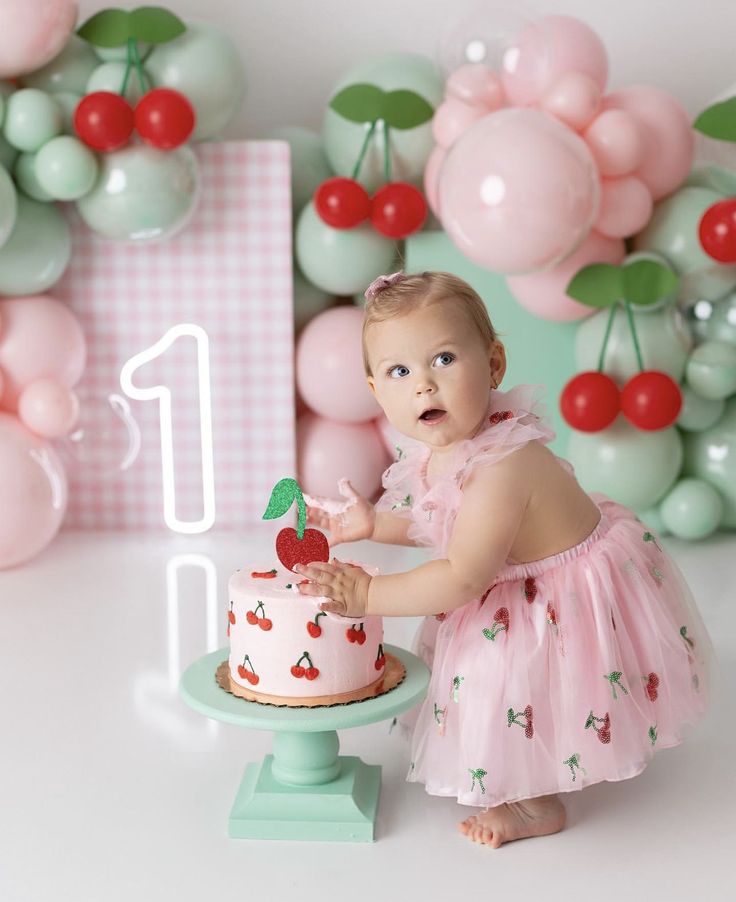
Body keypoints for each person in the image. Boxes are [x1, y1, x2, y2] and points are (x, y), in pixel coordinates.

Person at [296, 270, 713, 849]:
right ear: (375, 389)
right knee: (487, 662)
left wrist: (369, 597)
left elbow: (464, 575)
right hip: (511, 564)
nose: (423, 385)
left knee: (511, 675)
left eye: (443, 358)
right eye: (400, 371)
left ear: (493, 364)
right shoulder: (446, 446)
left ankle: (533, 802)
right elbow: (447, 525)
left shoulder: (500, 466)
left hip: (560, 592)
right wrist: (377, 523)